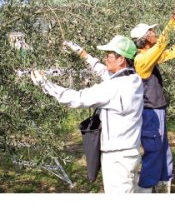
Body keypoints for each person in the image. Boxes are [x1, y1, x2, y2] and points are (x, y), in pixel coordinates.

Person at [31, 35, 144, 193]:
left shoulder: (114, 87)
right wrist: (81, 53)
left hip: (116, 157)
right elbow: (103, 71)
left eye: (109, 55)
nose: (105, 59)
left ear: (121, 60)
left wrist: (46, 85)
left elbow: (77, 98)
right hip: (130, 151)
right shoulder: (134, 79)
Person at [129, 0, 175, 193]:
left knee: (162, 148)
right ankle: (146, 188)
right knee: (154, 151)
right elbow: (163, 44)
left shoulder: (149, 57)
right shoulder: (142, 59)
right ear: (145, 39)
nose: (155, 33)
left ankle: (163, 182)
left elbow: (167, 53)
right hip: (150, 112)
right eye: (152, 32)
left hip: (157, 110)